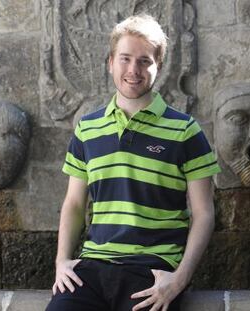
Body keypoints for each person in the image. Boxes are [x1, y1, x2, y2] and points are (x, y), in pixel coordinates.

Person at [46, 14, 220, 311]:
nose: (133, 70)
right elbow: (74, 204)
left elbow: (204, 214)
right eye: (125, 59)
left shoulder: (185, 131)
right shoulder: (87, 129)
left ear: (158, 67)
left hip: (152, 274)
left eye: (144, 61)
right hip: (91, 268)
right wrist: (62, 261)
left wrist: (180, 279)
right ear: (110, 62)